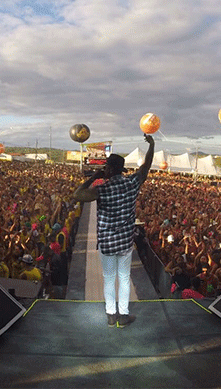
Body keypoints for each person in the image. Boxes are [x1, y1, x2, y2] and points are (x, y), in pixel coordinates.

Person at [73, 134, 155, 328]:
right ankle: (124, 314)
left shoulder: (101, 189)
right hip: (125, 243)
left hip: (107, 243)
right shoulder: (132, 183)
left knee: (109, 278)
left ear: (108, 169)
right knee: (124, 278)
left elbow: (77, 195)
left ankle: (111, 315)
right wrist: (152, 145)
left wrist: (94, 177)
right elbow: (146, 166)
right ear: (122, 170)